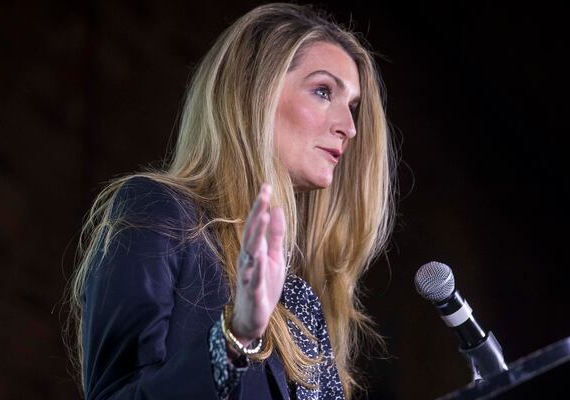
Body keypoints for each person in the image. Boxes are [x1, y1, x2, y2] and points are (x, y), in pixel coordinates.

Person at [66, 3, 394, 399]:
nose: (350, 128)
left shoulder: (302, 303)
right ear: (255, 92)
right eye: (323, 91)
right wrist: (235, 338)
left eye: (353, 107)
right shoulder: (159, 212)